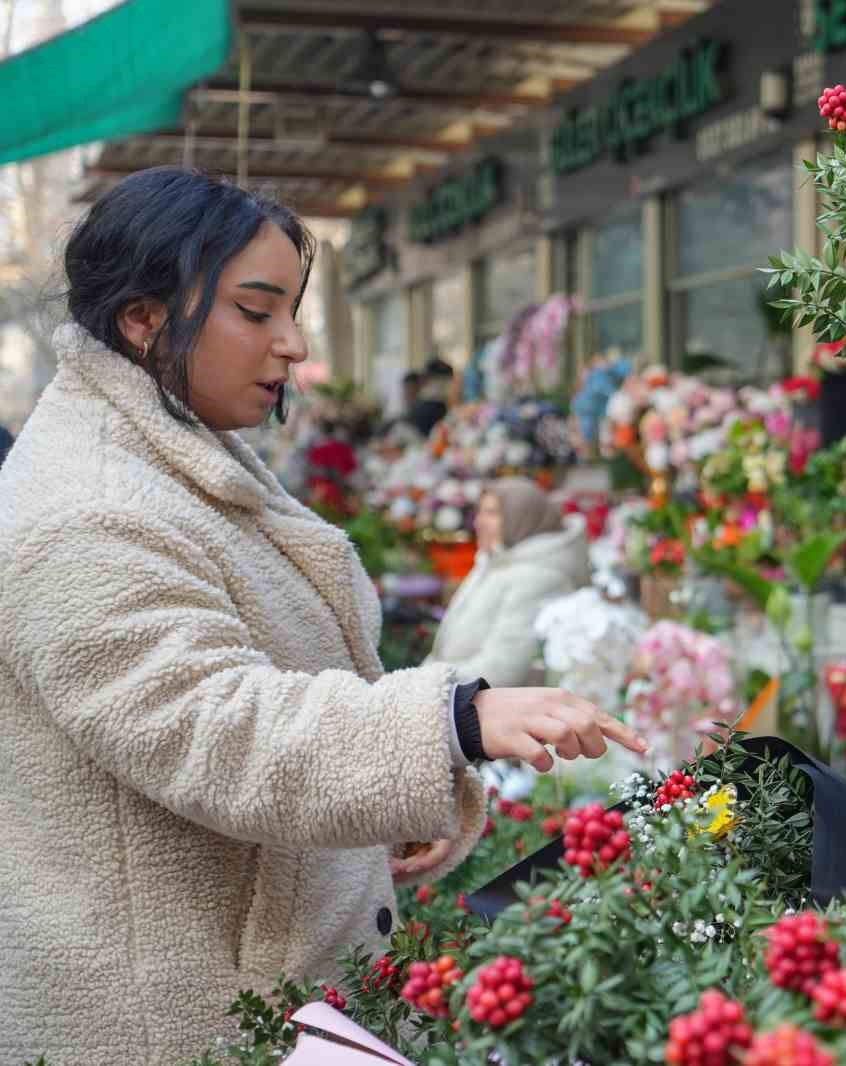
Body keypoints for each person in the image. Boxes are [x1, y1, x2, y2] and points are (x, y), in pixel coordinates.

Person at [0, 167, 647, 1066]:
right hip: (183, 1024)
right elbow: (217, 728)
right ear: (143, 319)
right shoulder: (91, 510)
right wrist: (453, 720)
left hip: (254, 986)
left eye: (292, 311)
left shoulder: (176, 451)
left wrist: (379, 808)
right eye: (256, 312)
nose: (294, 346)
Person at [425, 478, 590, 687]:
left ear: (523, 518)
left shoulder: (538, 577)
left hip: (479, 707)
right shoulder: (497, 561)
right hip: (449, 695)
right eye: (480, 512)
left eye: (492, 513)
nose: (478, 522)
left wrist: (424, 685)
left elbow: (501, 670)